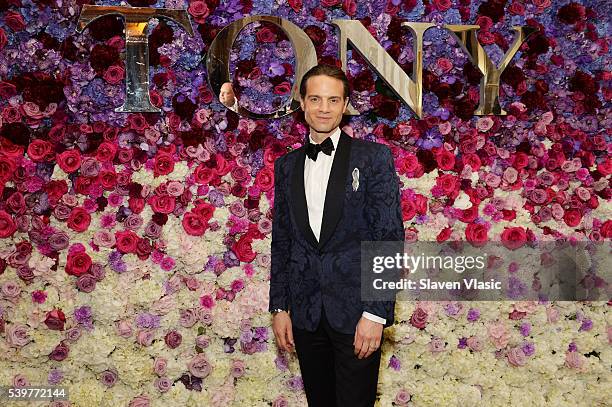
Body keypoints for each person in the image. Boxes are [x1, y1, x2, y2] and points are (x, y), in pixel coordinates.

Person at [269, 64, 404, 406]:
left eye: (333, 100)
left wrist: (376, 314)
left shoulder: (373, 158)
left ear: (345, 105)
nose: (324, 108)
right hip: (306, 314)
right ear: (302, 102)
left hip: (357, 314)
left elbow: (388, 238)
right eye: (315, 99)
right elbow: (282, 239)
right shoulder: (286, 165)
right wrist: (280, 306)